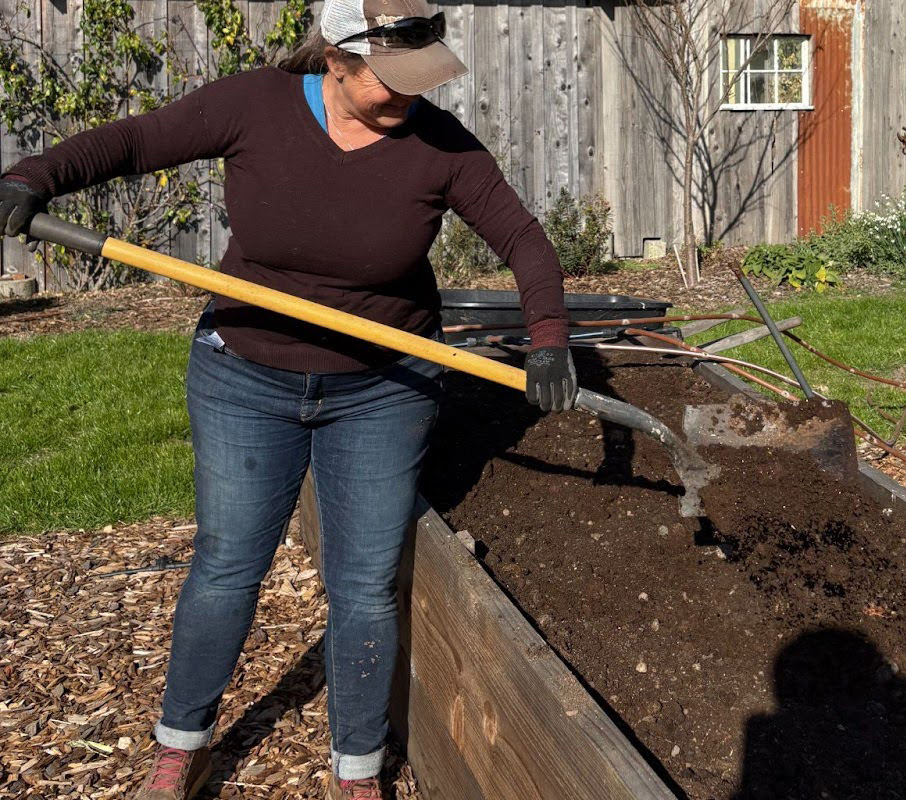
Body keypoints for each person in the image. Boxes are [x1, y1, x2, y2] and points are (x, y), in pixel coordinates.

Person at [0, 0, 578, 796]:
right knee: (228, 566)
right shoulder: (256, 106)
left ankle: (358, 769)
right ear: (335, 58)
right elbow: (134, 140)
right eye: (390, 78)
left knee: (366, 585)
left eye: (420, 76)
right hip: (245, 373)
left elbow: (523, 239)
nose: (408, 95)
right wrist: (32, 177)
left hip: (383, 388)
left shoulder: (440, 148)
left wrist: (547, 336)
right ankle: (182, 746)